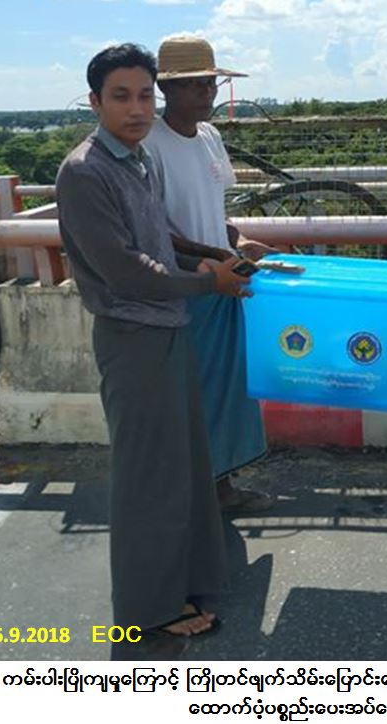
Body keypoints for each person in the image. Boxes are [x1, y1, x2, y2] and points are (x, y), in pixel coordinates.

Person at [56, 43, 251, 636]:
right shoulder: (85, 171)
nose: (136, 108)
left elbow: (159, 240)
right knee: (148, 478)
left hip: (168, 330)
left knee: (183, 468)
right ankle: (150, 611)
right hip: (132, 337)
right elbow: (127, 271)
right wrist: (209, 281)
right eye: (121, 96)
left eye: (143, 95)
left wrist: (211, 258)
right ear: (95, 102)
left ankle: (187, 581)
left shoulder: (135, 159)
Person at [144, 35, 273, 512]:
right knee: (193, 393)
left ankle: (219, 487)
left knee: (227, 388)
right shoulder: (150, 145)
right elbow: (154, 227)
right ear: (165, 89)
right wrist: (213, 254)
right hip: (185, 285)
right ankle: (195, 494)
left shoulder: (210, 138)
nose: (205, 92)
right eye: (192, 84)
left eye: (209, 83)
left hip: (223, 280)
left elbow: (213, 210)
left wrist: (237, 240)